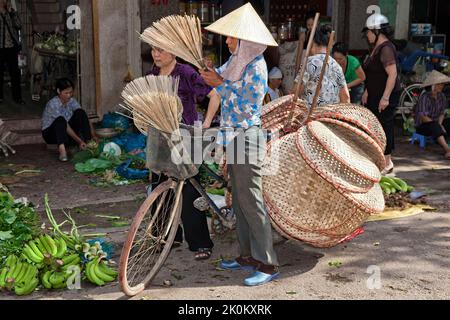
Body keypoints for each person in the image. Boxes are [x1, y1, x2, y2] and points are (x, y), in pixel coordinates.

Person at [200, 2, 280, 287]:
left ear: (247, 41)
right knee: (241, 201)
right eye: (228, 37)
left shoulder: (256, 67)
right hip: (234, 137)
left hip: (247, 137)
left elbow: (240, 103)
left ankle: (268, 264)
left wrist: (217, 82)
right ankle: (247, 257)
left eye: (233, 37)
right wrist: (209, 72)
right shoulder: (236, 62)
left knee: (252, 201)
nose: (228, 41)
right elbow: (218, 79)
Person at [148, 46, 221, 260]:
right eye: (153, 50)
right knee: (159, 186)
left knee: (189, 189)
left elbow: (215, 95)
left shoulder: (186, 73)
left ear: (173, 52)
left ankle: (200, 243)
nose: (156, 54)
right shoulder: (152, 74)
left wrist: (205, 125)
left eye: (160, 50)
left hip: (185, 138)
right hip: (161, 139)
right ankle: (167, 237)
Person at [361, 14, 402, 174]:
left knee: (385, 125)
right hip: (374, 94)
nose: (367, 36)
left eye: (369, 32)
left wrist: (385, 97)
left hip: (385, 96)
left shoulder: (386, 48)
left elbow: (392, 74)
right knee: (375, 126)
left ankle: (388, 162)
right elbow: (373, 74)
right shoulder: (376, 48)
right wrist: (367, 90)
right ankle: (378, 159)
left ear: (377, 31)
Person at [42, 78, 98, 162]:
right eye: (66, 93)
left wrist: (93, 135)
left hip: (65, 131)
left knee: (80, 112)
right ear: (58, 91)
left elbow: (84, 117)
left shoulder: (72, 101)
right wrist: (79, 141)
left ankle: (88, 142)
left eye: (71, 92)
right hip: (51, 134)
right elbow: (65, 125)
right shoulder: (53, 104)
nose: (69, 95)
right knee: (60, 120)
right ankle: (62, 151)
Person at [294, 24, 350, 107]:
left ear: (312, 43)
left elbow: (296, 92)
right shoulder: (336, 65)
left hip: (311, 116)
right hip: (331, 116)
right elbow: (346, 97)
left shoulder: (309, 62)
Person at [414, 71, 450, 159]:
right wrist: (438, 125)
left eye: (442, 84)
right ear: (432, 85)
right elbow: (423, 117)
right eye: (438, 84)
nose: (441, 86)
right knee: (434, 126)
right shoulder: (424, 97)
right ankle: (447, 150)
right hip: (423, 125)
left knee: (448, 122)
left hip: (436, 123)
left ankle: (445, 140)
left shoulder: (442, 96)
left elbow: (442, 113)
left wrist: (440, 124)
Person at [0, 0, 24, 104]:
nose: (4, 1)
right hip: (0, 47)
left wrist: (12, 13)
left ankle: (17, 97)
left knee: (15, 73)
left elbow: (19, 25)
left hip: (11, 47)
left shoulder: (11, 12)